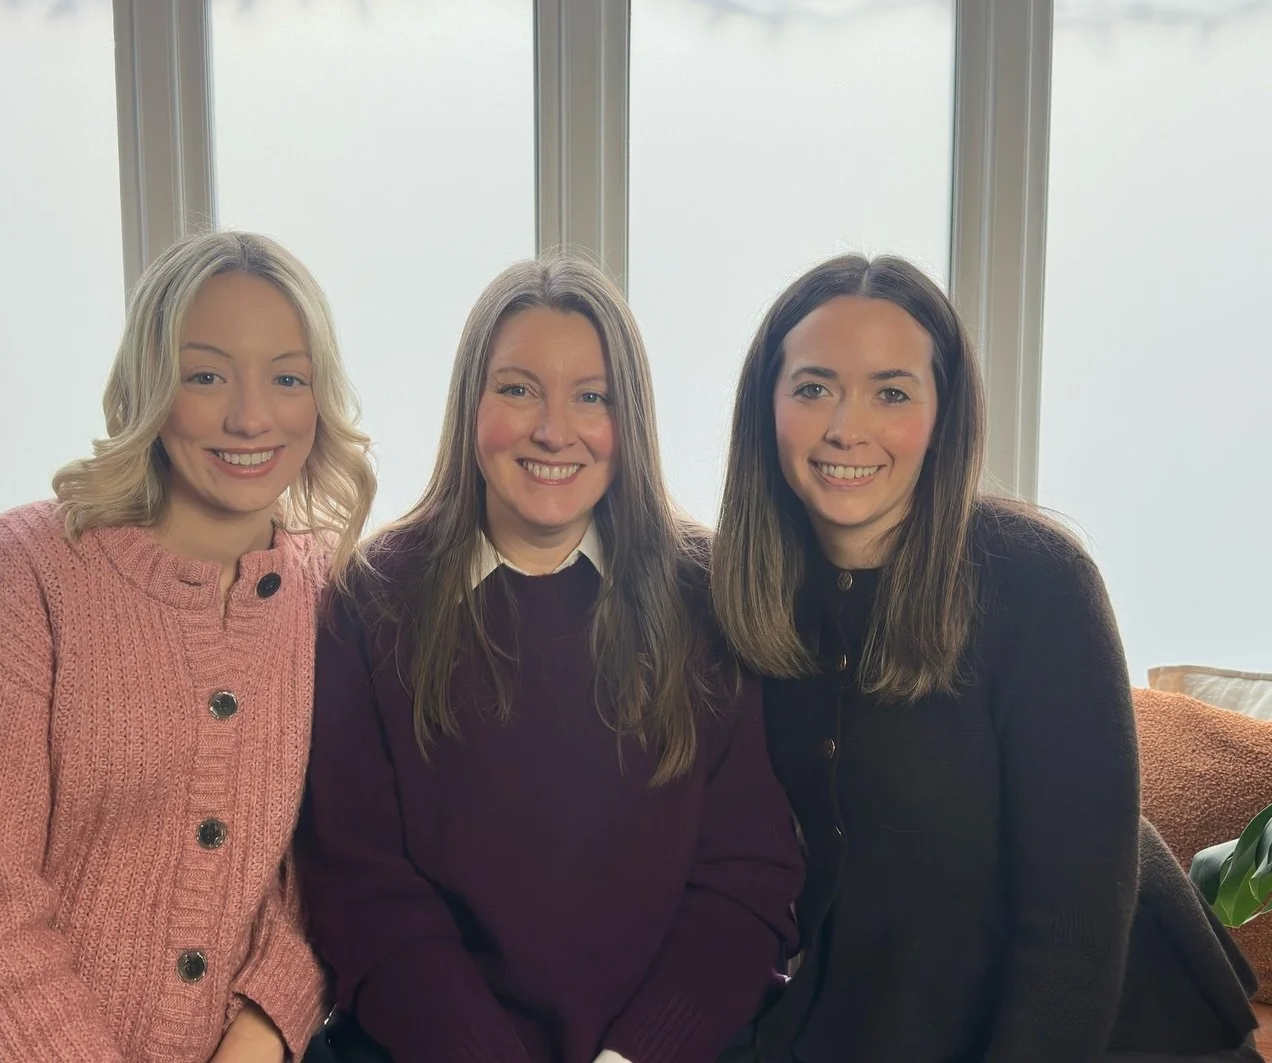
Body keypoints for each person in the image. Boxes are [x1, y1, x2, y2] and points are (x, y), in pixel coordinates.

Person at [710, 252, 1262, 1062]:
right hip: (899, 1011)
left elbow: (1075, 924)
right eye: (813, 387)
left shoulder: (1036, 580)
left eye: (891, 392)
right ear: (767, 407)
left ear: (945, 415)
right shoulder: (750, 591)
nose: (846, 428)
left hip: (1108, 1028)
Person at [0, 230, 376, 1063]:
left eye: (288, 378)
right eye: (206, 375)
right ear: (151, 387)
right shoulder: (23, 571)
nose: (251, 416)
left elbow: (322, 867)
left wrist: (261, 1031)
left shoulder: (332, 596)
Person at [296, 253, 803, 1063]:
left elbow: (745, 880)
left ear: (629, 421)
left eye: (592, 397)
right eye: (518, 389)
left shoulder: (708, 598)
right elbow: (360, 888)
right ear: (470, 404)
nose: (553, 430)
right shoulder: (371, 600)